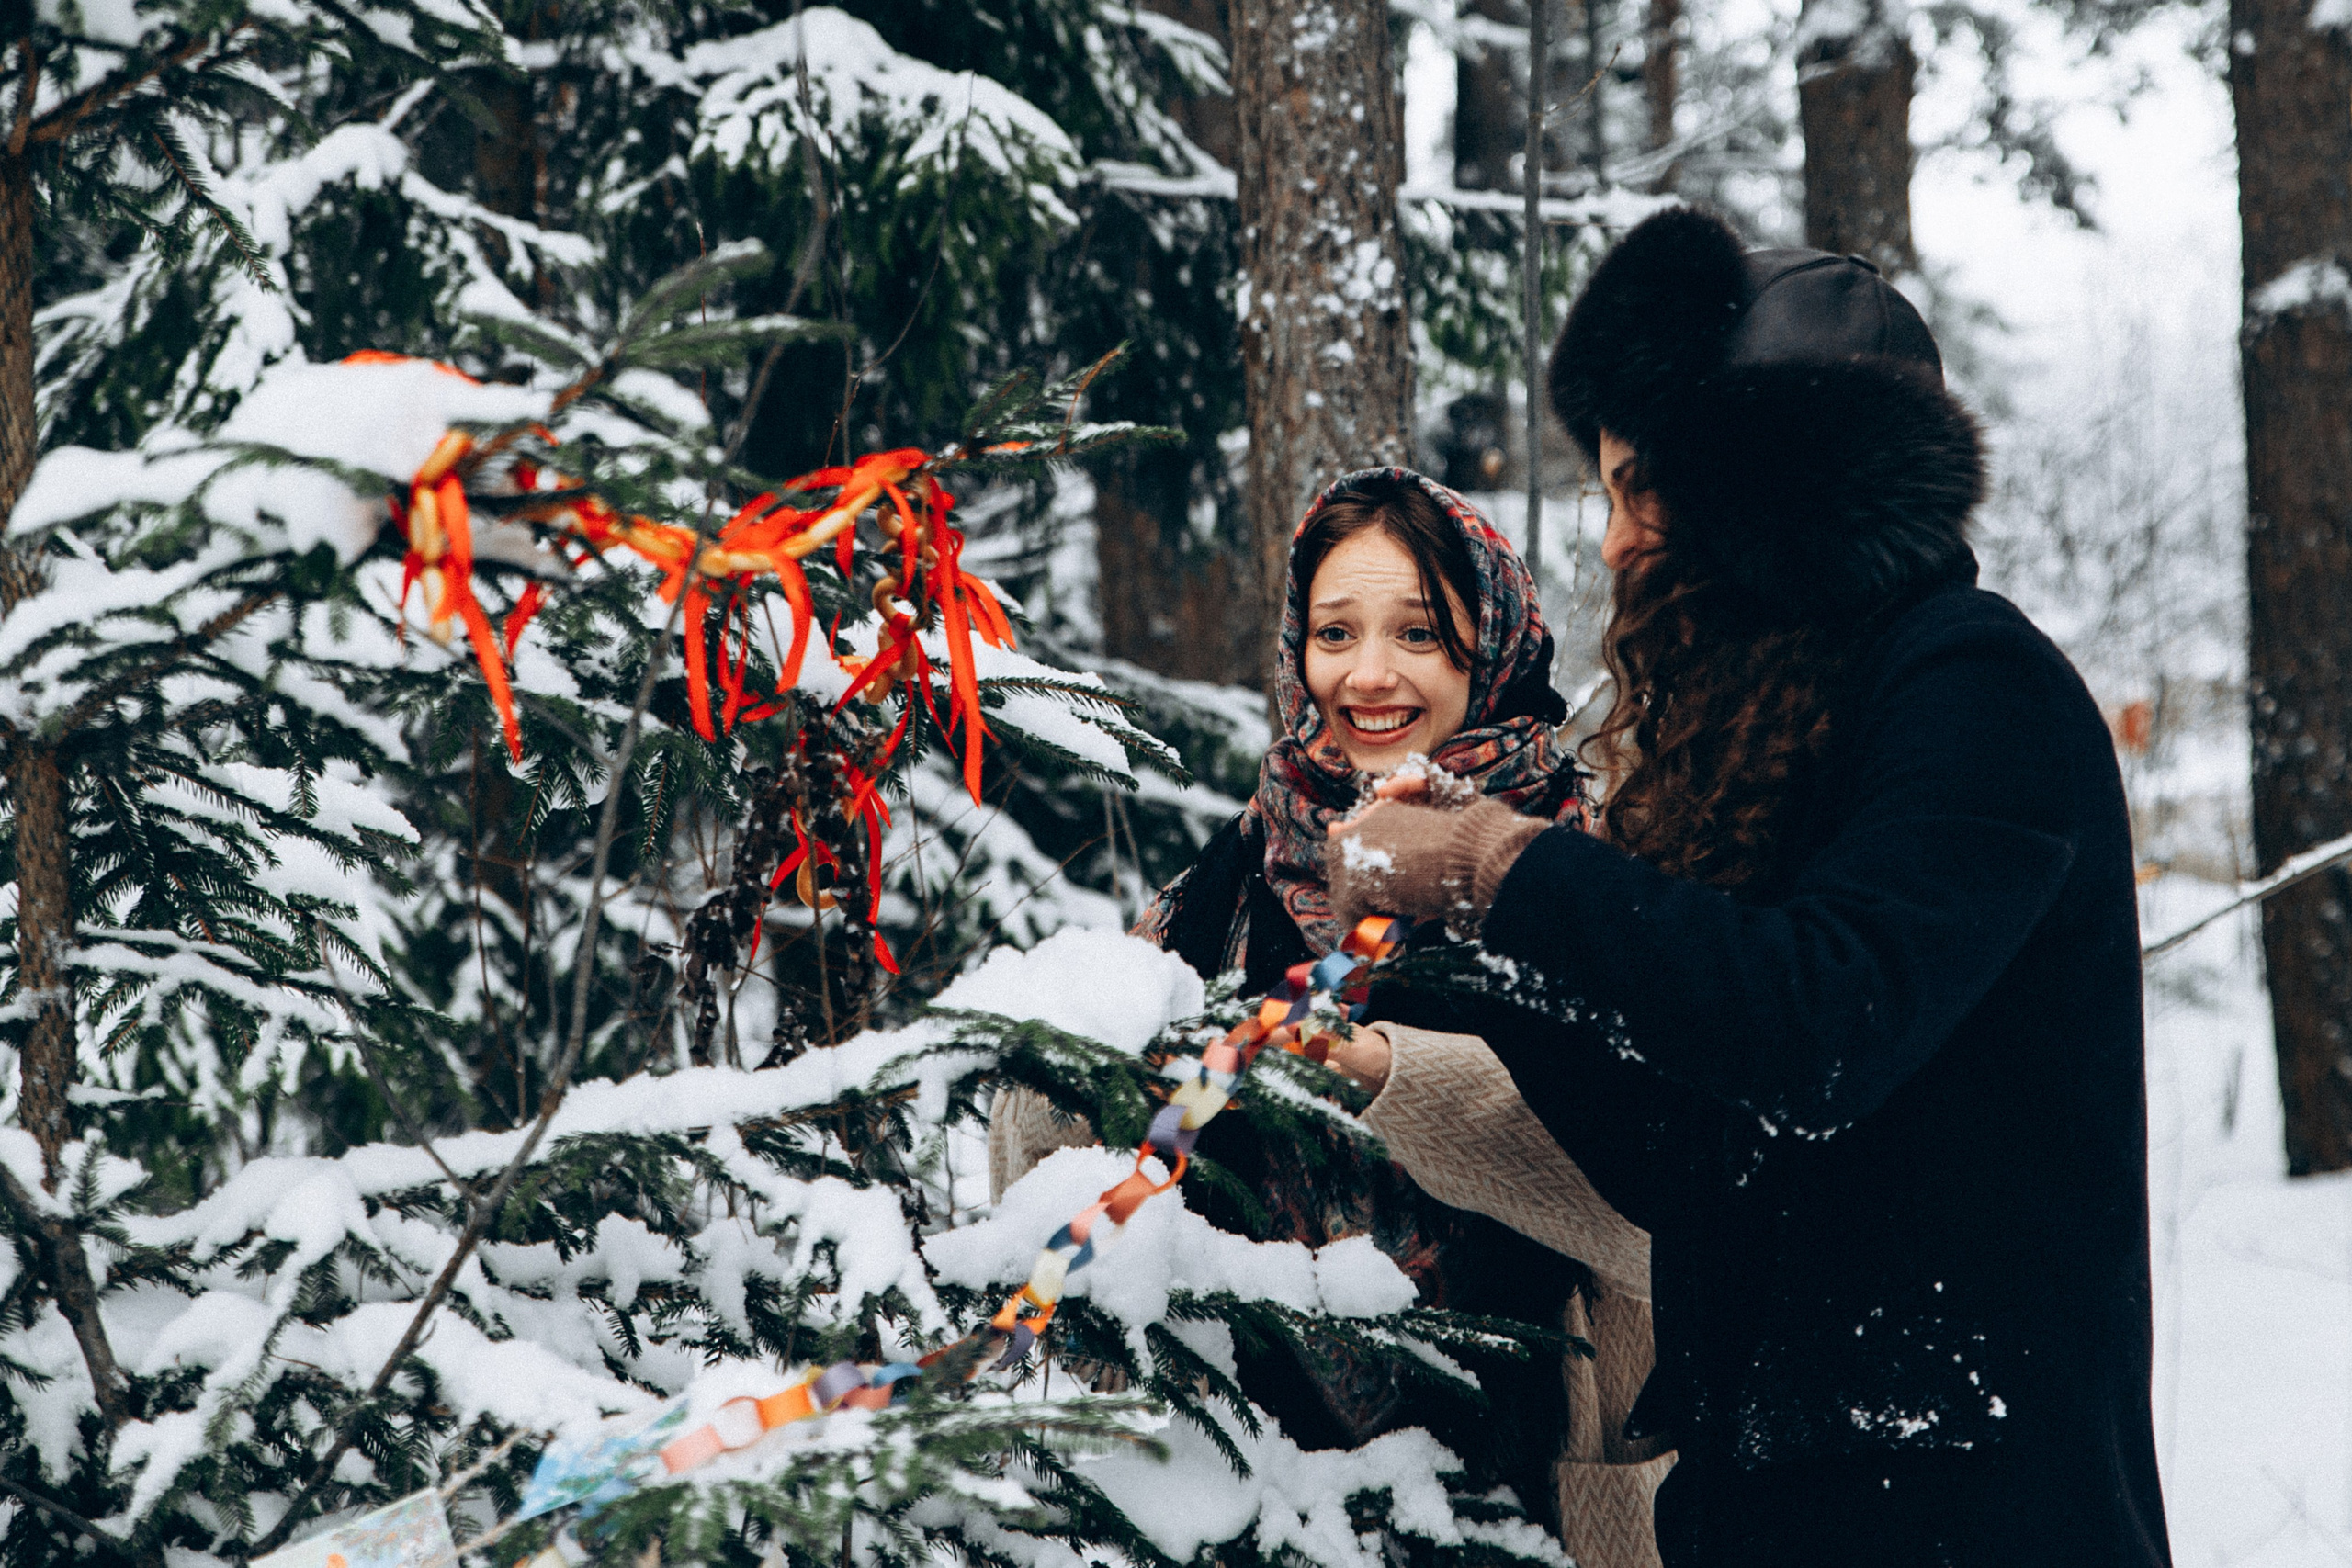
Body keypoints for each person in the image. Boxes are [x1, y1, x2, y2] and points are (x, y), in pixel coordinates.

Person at [1324, 208, 2172, 1566]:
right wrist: (1450, 960)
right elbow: (1687, 1150)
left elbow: (1819, 1022)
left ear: (1762, 486)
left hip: (1970, 1508)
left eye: (1631, 490)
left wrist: (1505, 862)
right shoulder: (1776, 737)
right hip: (1778, 1505)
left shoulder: (1973, 684)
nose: (1607, 544)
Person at [989, 468, 1670, 1566]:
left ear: (1493, 642)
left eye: (1416, 632)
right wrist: (1069, 1080)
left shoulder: (1588, 877)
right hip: (1267, 1508)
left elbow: (1665, 1221)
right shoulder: (1228, 883)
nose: (1368, 674)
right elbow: (1056, 1160)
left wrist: (1389, 1072)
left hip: (1530, 1506)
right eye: (1335, 631)